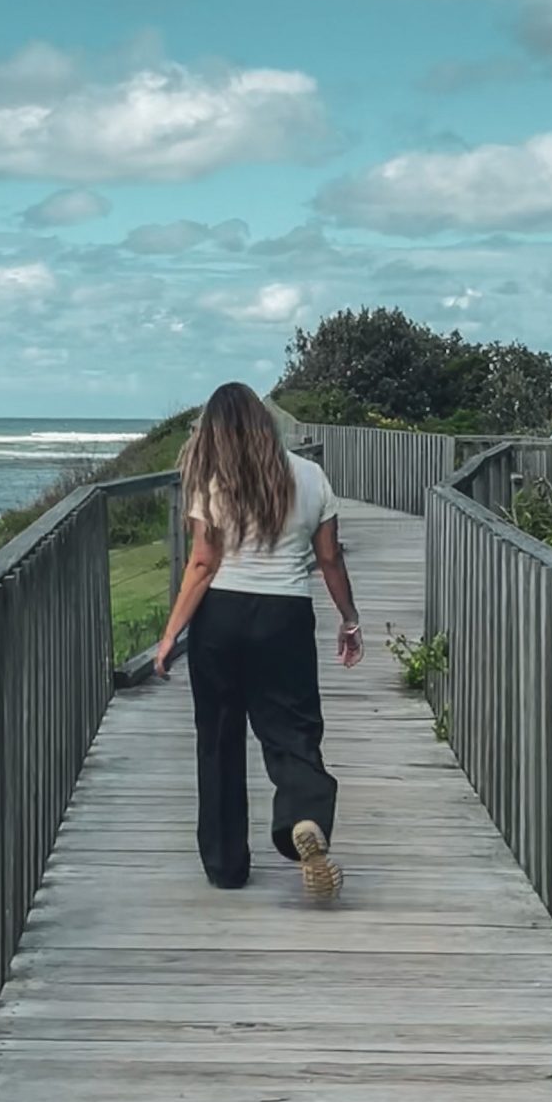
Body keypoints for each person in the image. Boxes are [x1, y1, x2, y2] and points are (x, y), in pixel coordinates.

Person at [152, 383, 365, 897]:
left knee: (219, 739)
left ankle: (226, 866)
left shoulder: (211, 480)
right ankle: (303, 817)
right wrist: (350, 620)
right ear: (266, 423)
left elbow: (203, 563)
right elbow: (330, 557)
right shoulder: (310, 476)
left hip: (220, 618)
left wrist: (169, 635)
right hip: (284, 615)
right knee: (293, 729)